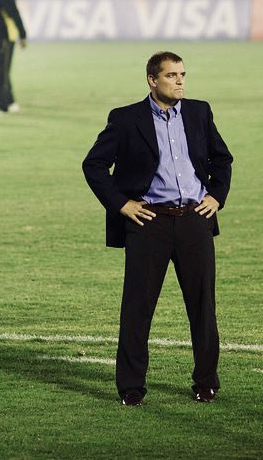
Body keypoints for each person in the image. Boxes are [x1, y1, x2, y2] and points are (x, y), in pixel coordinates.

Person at [82, 52, 234, 407]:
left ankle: (206, 382)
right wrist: (122, 204)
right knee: (137, 306)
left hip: (194, 220)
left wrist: (216, 196)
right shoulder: (125, 119)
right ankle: (131, 387)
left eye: (183, 74)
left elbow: (221, 159)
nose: (180, 81)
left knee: (202, 305)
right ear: (152, 80)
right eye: (171, 76)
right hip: (148, 222)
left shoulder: (199, 111)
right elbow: (93, 165)